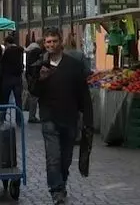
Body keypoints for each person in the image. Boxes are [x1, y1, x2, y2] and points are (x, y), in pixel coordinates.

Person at [29, 28, 93, 205]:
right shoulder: (39, 65)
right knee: (53, 157)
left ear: (60, 43)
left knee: (65, 158)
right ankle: (56, 190)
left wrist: (88, 119)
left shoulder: (74, 65)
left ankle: (62, 182)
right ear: (44, 44)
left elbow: (83, 94)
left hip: (70, 117)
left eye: (54, 41)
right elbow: (33, 92)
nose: (51, 45)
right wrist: (41, 80)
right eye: (48, 42)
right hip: (49, 117)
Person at [0, 35, 26, 120]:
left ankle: (2, 117)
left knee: (5, 99)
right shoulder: (20, 50)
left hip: (8, 77)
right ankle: (19, 119)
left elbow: (2, 63)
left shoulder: (7, 51)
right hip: (18, 77)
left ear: (7, 42)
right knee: (18, 100)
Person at [25, 38, 43, 123]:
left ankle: (32, 116)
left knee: (33, 97)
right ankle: (32, 116)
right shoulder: (38, 51)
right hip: (36, 77)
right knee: (35, 97)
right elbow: (36, 65)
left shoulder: (31, 51)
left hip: (30, 76)